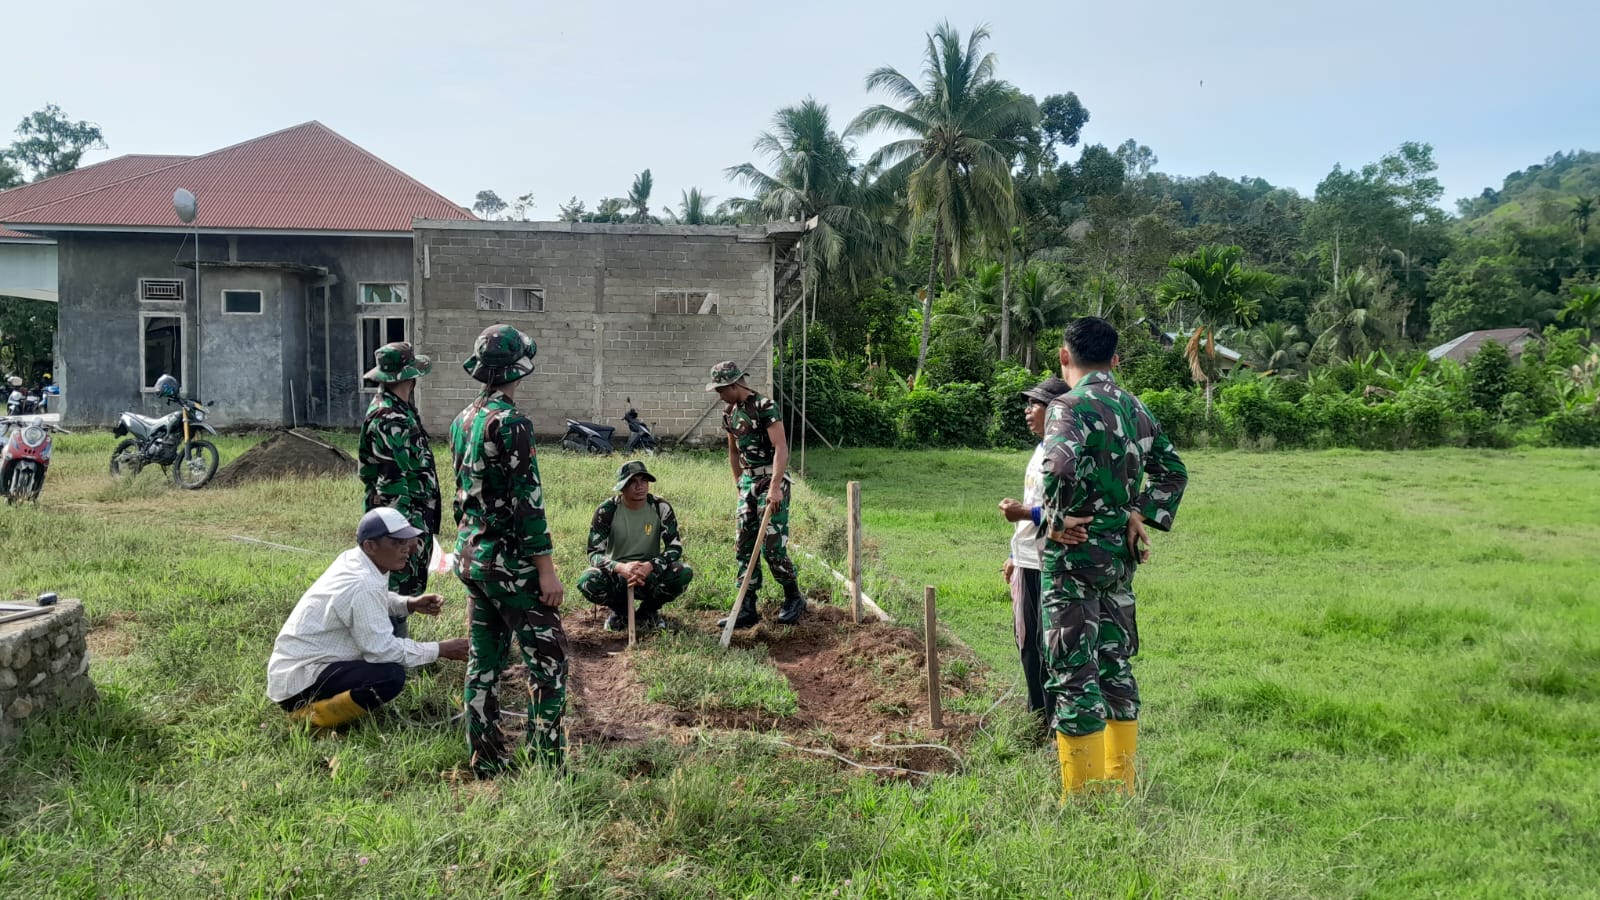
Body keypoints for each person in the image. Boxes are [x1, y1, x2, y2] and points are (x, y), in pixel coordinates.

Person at [1040, 316, 1187, 799]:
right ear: (1116, 359)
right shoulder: (1136, 408)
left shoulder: (1068, 406)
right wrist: (1139, 513)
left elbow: (1058, 465)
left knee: (1072, 669)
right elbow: (1173, 471)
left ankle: (1077, 793)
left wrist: (1054, 522)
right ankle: (1121, 782)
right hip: (1118, 563)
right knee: (1115, 663)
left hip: (1074, 561)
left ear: (1065, 356)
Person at [450, 324, 568, 777]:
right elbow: (527, 501)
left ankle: (485, 759)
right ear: (520, 368)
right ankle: (548, 765)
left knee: (484, 661)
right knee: (549, 663)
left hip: (472, 557)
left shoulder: (463, 420)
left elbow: (464, 493)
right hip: (510, 564)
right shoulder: (512, 423)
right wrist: (546, 571)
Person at [266, 507, 469, 729]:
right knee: (389, 676)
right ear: (370, 546)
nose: (407, 549)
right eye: (396, 543)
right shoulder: (362, 584)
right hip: (299, 681)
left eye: (406, 541)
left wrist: (408, 604)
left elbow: (373, 601)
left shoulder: (357, 560)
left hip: (291, 673)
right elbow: (382, 650)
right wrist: (441, 649)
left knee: (386, 632)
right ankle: (311, 718)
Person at [997, 376, 1083, 732]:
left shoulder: (1064, 453)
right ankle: (1038, 717)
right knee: (1027, 642)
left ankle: (1050, 722)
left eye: (1035, 404)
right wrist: (1015, 554)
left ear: (1057, 409)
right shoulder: (1040, 449)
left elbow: (1070, 513)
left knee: (1046, 646)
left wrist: (1023, 514)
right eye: (1028, 403)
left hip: (1050, 562)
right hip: (1028, 560)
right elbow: (1039, 504)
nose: (1027, 410)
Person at [706, 360, 805, 628]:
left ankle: (793, 596)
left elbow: (781, 447)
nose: (719, 394)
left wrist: (774, 488)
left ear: (734, 384)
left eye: (721, 389)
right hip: (749, 483)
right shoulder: (729, 413)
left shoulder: (765, 407)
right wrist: (739, 482)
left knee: (772, 544)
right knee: (744, 544)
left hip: (770, 481)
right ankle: (746, 607)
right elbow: (733, 452)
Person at [359, 341, 442, 639]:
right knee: (393, 582)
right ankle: (392, 652)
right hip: (400, 515)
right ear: (409, 376)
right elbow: (393, 480)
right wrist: (402, 534)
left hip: (409, 513)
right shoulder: (389, 417)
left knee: (400, 582)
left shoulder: (401, 409)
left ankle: (395, 648)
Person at [577, 460, 694, 632]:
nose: (639, 486)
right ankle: (621, 613)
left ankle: (648, 612)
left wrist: (650, 565)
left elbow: (674, 548)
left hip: (649, 573)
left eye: (643, 481)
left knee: (683, 573)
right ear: (621, 487)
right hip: (618, 574)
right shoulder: (607, 510)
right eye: (632, 482)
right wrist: (620, 567)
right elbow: (594, 553)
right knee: (587, 580)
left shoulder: (660, 507)